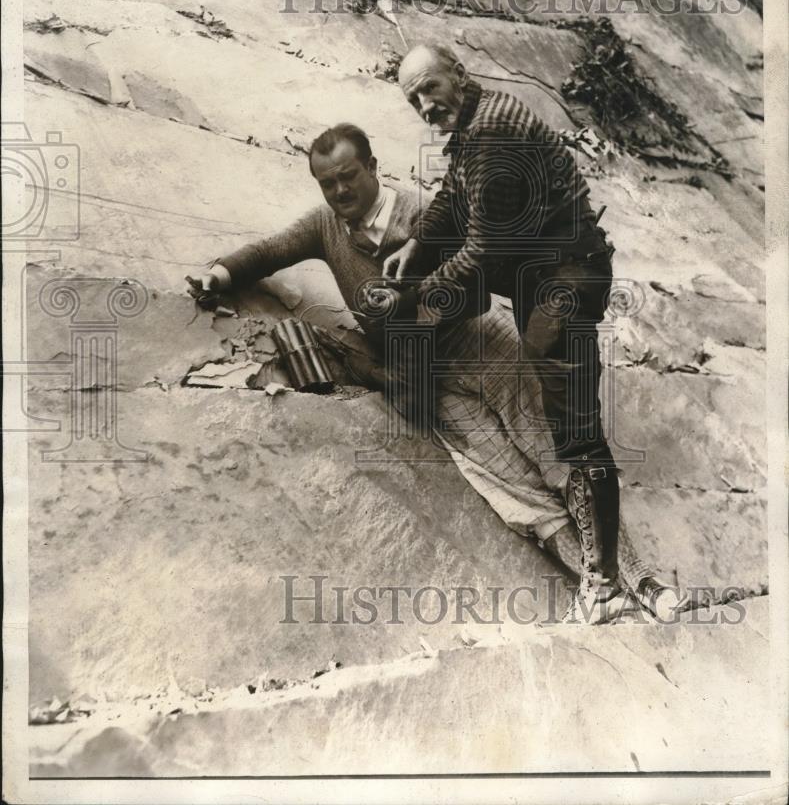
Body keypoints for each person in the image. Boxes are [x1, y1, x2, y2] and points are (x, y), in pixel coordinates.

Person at [188, 122, 677, 620]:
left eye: (349, 176)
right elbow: (271, 251)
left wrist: (412, 305)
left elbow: (481, 287)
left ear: (373, 168)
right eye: (328, 183)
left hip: (482, 344)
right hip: (429, 382)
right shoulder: (324, 225)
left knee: (560, 458)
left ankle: (642, 581)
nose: (341, 191)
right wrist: (221, 273)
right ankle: (603, 597)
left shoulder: (425, 215)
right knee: (515, 491)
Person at [383, 44, 629, 617]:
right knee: (566, 421)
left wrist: (418, 295)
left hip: (562, 279)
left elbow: (486, 248)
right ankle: (605, 577)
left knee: (576, 430)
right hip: (545, 277)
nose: (424, 104)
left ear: (459, 76)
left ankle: (604, 586)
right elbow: (453, 196)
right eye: (413, 98)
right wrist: (418, 244)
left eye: (430, 88)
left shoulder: (492, 132)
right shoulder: (478, 121)